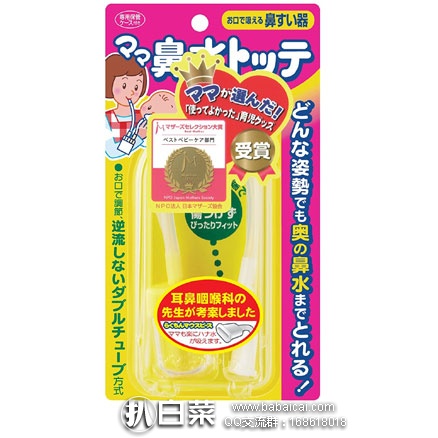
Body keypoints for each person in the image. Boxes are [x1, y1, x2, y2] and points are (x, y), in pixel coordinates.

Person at [105, 53, 148, 159]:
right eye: (124, 86)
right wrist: (139, 137)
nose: (131, 92)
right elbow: (111, 151)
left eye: (136, 87)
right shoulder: (106, 118)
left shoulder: (143, 116)